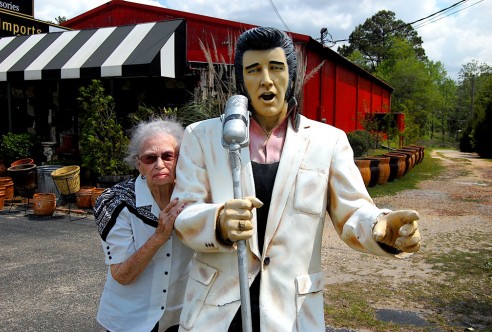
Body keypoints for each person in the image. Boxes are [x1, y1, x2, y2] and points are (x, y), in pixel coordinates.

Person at [172, 27, 421, 331]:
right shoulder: (202, 136)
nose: (266, 79)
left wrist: (381, 224)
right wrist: (218, 221)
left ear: (291, 74)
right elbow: (183, 213)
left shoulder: (328, 142)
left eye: (276, 68)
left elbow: (353, 211)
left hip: (291, 312)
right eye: (254, 70)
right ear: (241, 79)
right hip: (216, 312)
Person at [94, 117, 193, 332]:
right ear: (139, 165)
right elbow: (121, 274)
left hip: (181, 317)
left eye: (167, 156)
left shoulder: (196, 197)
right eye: (150, 158)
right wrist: (159, 237)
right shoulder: (115, 202)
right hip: (130, 320)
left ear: (179, 158)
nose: (159, 165)